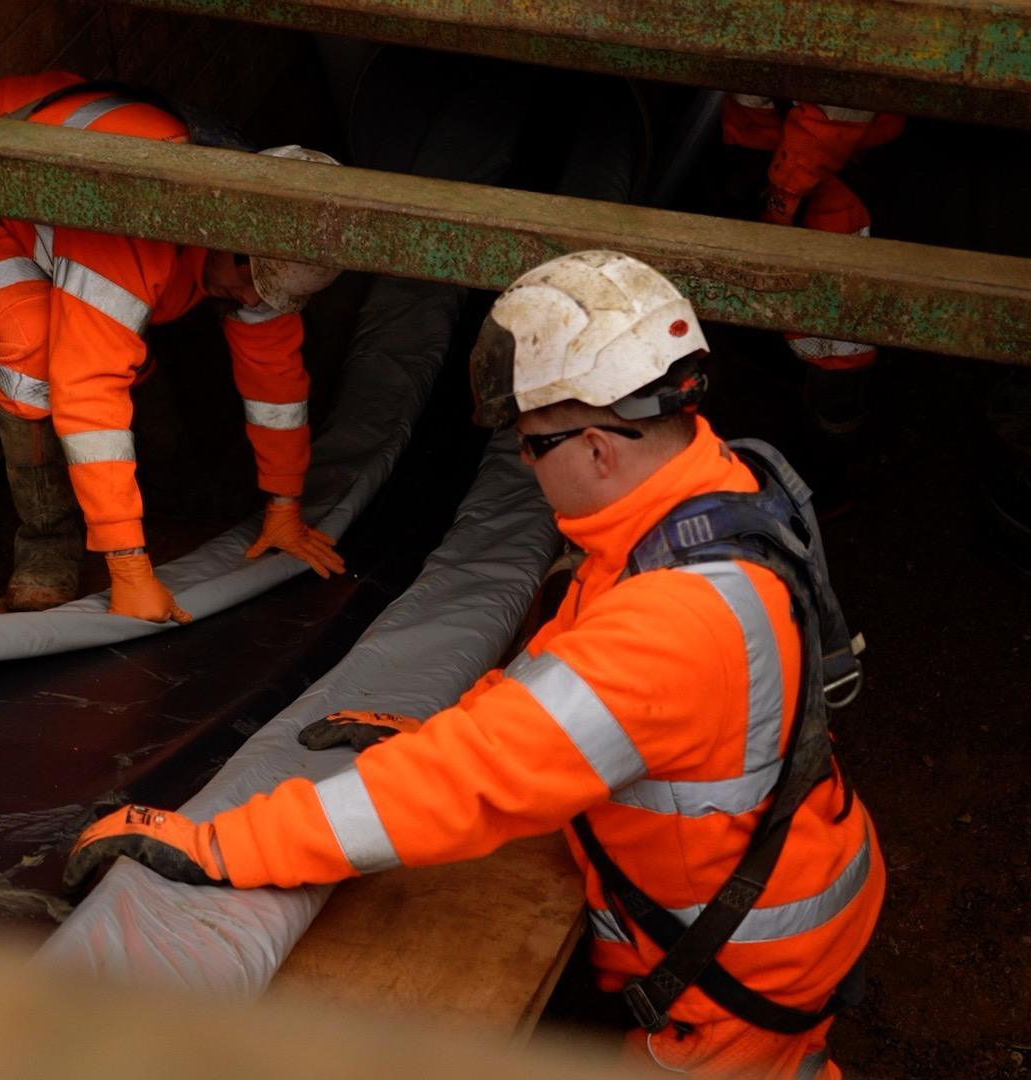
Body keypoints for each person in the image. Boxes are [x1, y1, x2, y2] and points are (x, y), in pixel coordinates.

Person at [65, 251, 884, 1078]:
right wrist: (441, 729)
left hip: (736, 976)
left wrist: (224, 847)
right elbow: (561, 669)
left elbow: (470, 782)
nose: (524, 469)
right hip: (779, 896)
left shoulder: (671, 621)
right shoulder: (707, 497)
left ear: (598, 448)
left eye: (531, 447)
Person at [0, 72, 345, 620]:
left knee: (119, 323)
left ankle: (162, 475)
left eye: (263, 290)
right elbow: (89, 392)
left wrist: (285, 504)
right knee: (41, 349)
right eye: (247, 279)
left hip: (50, 173)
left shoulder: (258, 232)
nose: (247, 296)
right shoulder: (137, 218)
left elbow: (276, 380)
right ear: (230, 232)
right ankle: (47, 546)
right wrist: (129, 568)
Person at [721, 95, 903, 461]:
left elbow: (842, 97)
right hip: (775, 159)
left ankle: (829, 459)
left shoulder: (841, 208)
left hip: (830, 169)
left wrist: (786, 189)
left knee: (839, 342)